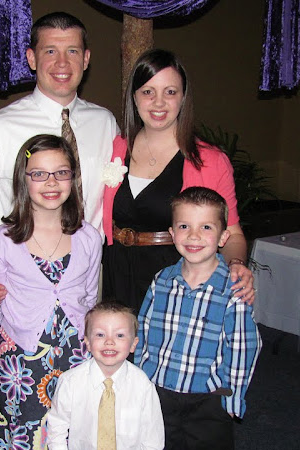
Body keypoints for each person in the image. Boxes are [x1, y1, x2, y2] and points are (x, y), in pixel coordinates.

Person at [0, 12, 117, 450]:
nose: (62, 62)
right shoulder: (0, 127)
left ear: (87, 59)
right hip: (16, 293)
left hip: (82, 287)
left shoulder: (104, 122)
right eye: (50, 50)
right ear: (31, 58)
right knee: (2, 408)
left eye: (73, 50)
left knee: (78, 408)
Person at [0, 134, 102, 450]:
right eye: (39, 174)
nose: (51, 182)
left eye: (61, 173)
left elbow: (90, 298)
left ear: (72, 179)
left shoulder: (89, 237)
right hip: (22, 362)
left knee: (69, 448)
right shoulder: (1, 240)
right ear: (24, 180)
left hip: (75, 358)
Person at [102, 48, 254, 313]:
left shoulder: (210, 161)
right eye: (148, 92)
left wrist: (237, 264)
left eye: (170, 92)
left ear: (183, 97)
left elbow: (233, 234)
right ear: (134, 97)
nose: (158, 103)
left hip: (177, 281)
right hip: (118, 275)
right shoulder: (115, 147)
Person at [135, 186, 262, 450]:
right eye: (184, 226)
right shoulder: (161, 280)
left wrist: (232, 397)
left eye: (206, 227)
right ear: (172, 233)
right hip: (160, 394)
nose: (193, 236)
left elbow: (243, 347)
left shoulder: (233, 289)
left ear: (223, 237)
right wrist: (140, 383)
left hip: (208, 400)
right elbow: (144, 330)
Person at [47, 301, 164, 450]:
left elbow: (153, 432)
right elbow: (56, 425)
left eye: (120, 335)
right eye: (100, 334)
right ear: (87, 342)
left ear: (134, 344)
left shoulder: (143, 386)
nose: (109, 341)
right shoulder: (71, 382)